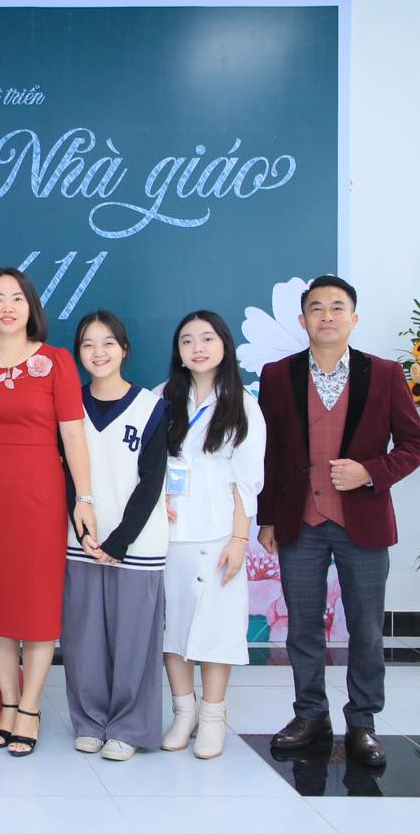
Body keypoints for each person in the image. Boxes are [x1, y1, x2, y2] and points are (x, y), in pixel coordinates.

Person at [257, 275, 420, 768]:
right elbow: (268, 452)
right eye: (316, 308)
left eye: (337, 307)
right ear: (302, 319)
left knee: (366, 628)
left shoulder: (385, 374)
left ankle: (363, 722)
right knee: (302, 627)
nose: (326, 316)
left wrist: (370, 472)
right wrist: (268, 518)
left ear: (354, 318)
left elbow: (415, 445)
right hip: (300, 521)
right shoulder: (278, 374)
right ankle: (310, 714)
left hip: (364, 523)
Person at [0, 269, 92, 757]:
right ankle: (7, 701)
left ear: (30, 306)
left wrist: (84, 499)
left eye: (16, 298)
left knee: (37, 603)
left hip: (41, 491)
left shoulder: (56, 361)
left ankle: (32, 706)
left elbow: (74, 433)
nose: (7, 307)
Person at [157, 311, 265, 759]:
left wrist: (239, 540)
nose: (197, 348)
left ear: (224, 345)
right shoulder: (162, 397)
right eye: (187, 341)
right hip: (166, 534)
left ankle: (214, 715)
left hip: (219, 533)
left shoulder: (243, 404)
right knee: (173, 627)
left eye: (207, 339)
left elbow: (246, 481)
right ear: (178, 352)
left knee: (216, 626)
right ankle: (184, 712)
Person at [62, 310, 169, 762]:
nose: (98, 352)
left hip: (137, 544)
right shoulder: (69, 405)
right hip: (82, 541)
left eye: (108, 343)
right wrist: (84, 531)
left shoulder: (152, 407)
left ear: (124, 349)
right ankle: (89, 721)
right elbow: (65, 471)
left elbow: (152, 480)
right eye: (88, 344)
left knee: (134, 641)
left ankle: (129, 727)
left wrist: (121, 540)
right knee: (83, 639)